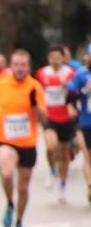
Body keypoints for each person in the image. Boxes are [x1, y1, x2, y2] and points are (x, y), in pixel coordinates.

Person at [0, 49, 47, 227]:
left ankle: (19, 221)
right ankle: (9, 203)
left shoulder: (35, 87)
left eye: (23, 65)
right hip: (6, 139)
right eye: (16, 64)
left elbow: (44, 118)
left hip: (27, 142)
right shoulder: (0, 84)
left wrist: (35, 105)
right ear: (11, 66)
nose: (20, 68)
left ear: (29, 67)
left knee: (24, 188)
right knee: (7, 172)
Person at [36, 45, 78, 200]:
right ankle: (52, 169)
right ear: (48, 58)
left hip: (66, 118)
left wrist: (71, 106)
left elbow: (76, 94)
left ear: (63, 58)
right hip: (49, 117)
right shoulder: (42, 73)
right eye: (52, 57)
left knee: (64, 154)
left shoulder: (70, 74)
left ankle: (63, 183)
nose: (55, 60)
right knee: (51, 146)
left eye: (58, 57)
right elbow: (37, 93)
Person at [67, 57, 91, 204]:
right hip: (86, 122)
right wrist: (84, 90)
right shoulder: (81, 74)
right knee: (88, 156)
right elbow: (70, 95)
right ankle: (90, 186)